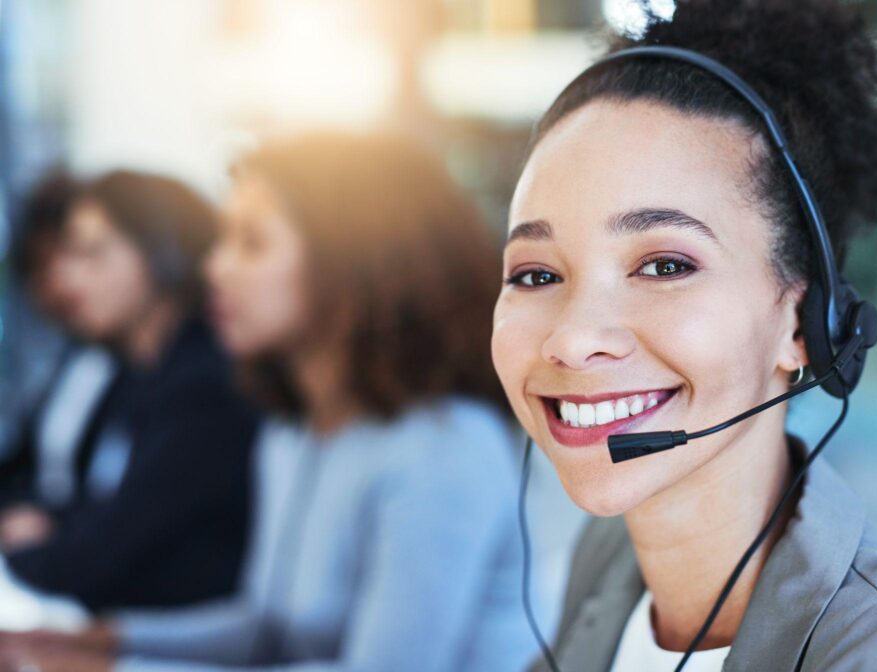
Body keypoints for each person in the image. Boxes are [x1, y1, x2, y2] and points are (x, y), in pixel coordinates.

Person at [491, 1, 877, 670]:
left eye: (665, 265)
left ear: (806, 326)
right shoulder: (609, 562)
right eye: (536, 274)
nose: (572, 339)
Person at [0, 132, 539, 672]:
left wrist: (108, 669)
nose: (215, 268)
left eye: (251, 243)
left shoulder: (443, 449)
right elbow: (266, 631)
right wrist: (97, 641)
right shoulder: (294, 431)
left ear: (352, 259)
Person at [1, 170, 257, 613]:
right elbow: (96, 508)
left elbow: (109, 552)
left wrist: (21, 550)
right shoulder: (133, 373)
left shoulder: (204, 384)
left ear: (164, 253)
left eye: (92, 253)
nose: (65, 276)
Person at [0, 168, 117, 520]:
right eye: (40, 269)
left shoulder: (154, 370)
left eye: (87, 254)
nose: (62, 280)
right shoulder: (76, 354)